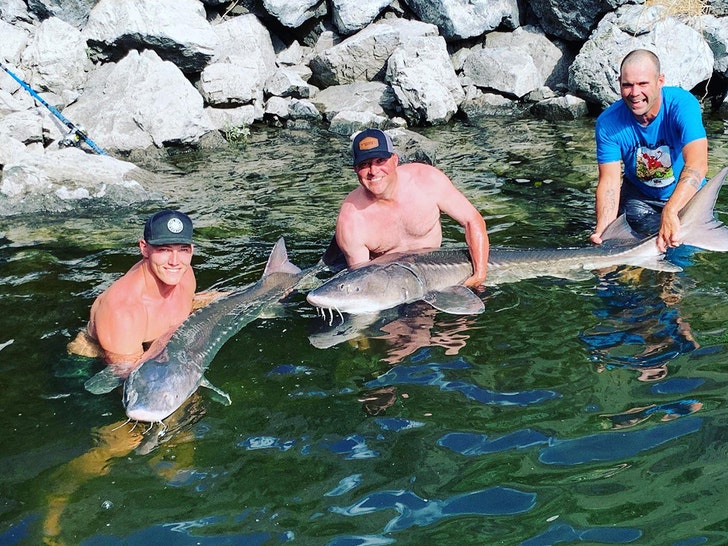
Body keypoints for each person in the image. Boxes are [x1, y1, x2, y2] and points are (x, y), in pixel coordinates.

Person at [335, 128, 489, 288]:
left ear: (395, 160)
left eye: (380, 160)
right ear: (355, 170)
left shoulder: (427, 180)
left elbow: (472, 221)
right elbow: (362, 281)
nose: (373, 171)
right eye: (364, 165)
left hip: (435, 270)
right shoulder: (351, 221)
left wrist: (479, 274)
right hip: (391, 279)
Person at [67, 209, 220, 371]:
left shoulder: (184, 272)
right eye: (164, 249)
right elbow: (131, 377)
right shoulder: (123, 311)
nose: (175, 261)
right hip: (96, 355)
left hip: (150, 339)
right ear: (144, 248)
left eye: (183, 249)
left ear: (191, 249)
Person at [590, 49, 708, 253]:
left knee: (677, 254)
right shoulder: (607, 123)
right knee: (613, 257)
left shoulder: (683, 105)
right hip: (640, 198)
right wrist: (604, 229)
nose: (634, 93)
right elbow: (609, 182)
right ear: (619, 83)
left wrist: (671, 211)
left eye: (642, 84)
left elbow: (697, 164)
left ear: (660, 81)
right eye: (627, 85)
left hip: (687, 196)